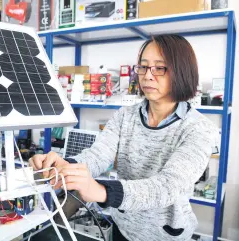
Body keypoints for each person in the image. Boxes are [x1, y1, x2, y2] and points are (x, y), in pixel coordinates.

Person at [30, 34, 218, 241]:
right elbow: (98, 155)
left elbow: (168, 186)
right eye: (144, 67)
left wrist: (102, 192)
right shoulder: (126, 115)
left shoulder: (199, 128)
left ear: (182, 71)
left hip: (165, 235)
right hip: (123, 227)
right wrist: (66, 166)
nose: (147, 76)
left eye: (159, 68)